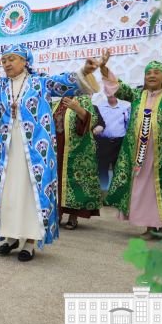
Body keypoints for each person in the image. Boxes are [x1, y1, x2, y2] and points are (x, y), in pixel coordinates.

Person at [0, 44, 99, 262]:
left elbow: (65, 83)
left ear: (25, 61)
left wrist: (84, 72)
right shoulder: (2, 86)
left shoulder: (39, 82)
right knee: (9, 191)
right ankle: (11, 237)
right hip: (8, 148)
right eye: (4, 60)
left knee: (31, 192)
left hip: (34, 151)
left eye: (12, 59)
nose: (7, 64)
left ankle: (30, 242)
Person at [101, 38, 162, 237]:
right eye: (148, 73)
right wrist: (104, 67)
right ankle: (150, 226)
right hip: (139, 155)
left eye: (156, 73)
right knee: (144, 189)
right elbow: (116, 86)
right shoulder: (136, 94)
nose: (151, 76)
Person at [53, 95, 102, 230]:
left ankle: (73, 217)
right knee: (57, 183)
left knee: (75, 184)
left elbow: (91, 122)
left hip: (77, 149)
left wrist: (78, 109)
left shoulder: (83, 99)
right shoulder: (57, 102)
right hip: (57, 147)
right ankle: (57, 215)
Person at [93, 95, 130, 189]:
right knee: (102, 168)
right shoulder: (100, 106)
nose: (112, 94)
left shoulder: (125, 106)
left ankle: (117, 192)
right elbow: (97, 122)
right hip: (104, 142)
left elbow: (128, 123)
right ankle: (103, 191)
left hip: (120, 142)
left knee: (119, 168)